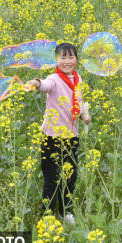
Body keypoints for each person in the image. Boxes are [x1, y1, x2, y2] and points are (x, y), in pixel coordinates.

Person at [26, 42, 91, 225]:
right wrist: (36, 83)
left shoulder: (78, 79)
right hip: (52, 137)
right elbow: (45, 85)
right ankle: (47, 214)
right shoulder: (54, 79)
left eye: (71, 57)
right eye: (63, 57)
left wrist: (84, 116)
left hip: (71, 136)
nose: (67, 61)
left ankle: (64, 211)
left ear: (77, 59)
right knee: (51, 177)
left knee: (70, 177)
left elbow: (78, 102)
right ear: (56, 60)